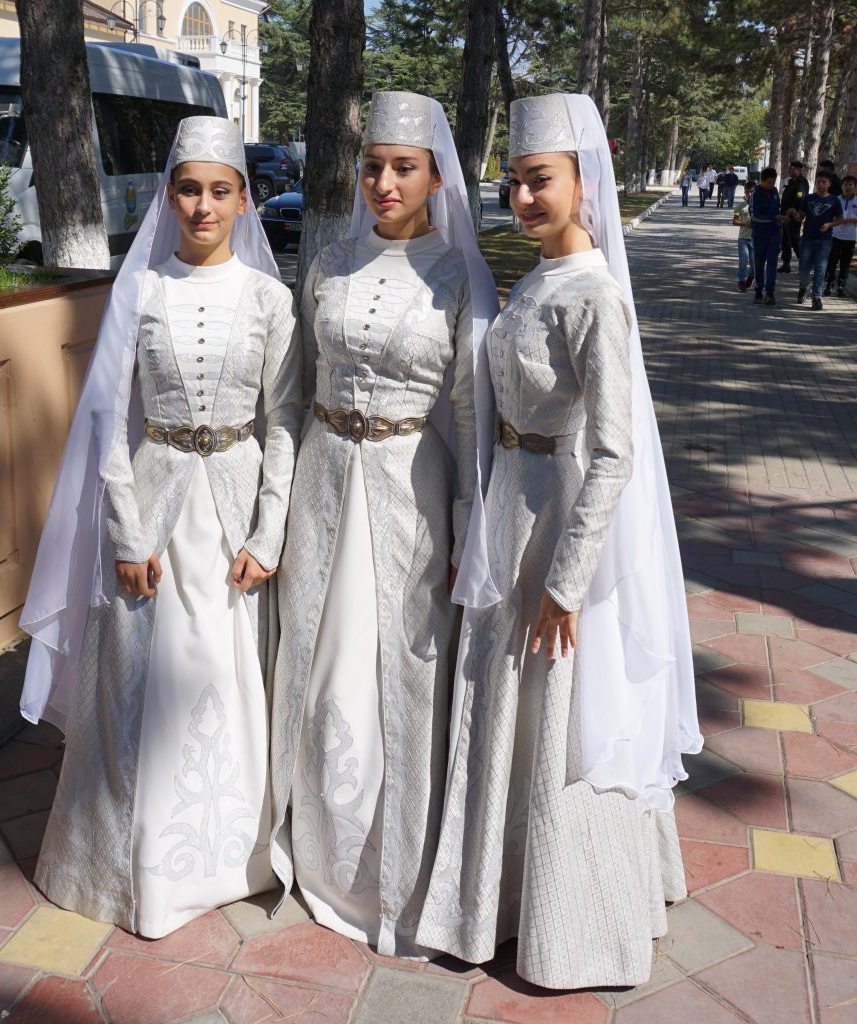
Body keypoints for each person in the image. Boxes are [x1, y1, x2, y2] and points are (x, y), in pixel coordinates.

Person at [415, 93, 701, 990]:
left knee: (557, 717)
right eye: (515, 182)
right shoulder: (536, 278)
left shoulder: (592, 296)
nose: (524, 198)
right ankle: (494, 898)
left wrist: (568, 583)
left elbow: (612, 453)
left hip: (557, 522)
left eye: (541, 181)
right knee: (505, 708)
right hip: (511, 504)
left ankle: (572, 925)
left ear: (584, 182)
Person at [18, 116, 302, 937]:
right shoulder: (139, 290)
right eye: (189, 190)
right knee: (146, 679)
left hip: (238, 507)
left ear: (244, 200)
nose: (204, 206)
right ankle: (132, 864)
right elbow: (110, 420)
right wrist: (126, 534)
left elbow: (282, 420)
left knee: (231, 673)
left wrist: (269, 532)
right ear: (168, 197)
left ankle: (236, 857)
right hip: (157, 500)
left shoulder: (270, 299)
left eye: (220, 190)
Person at [268, 90, 500, 958]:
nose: (384, 182)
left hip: (409, 494)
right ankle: (317, 855)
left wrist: (470, 528)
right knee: (321, 671)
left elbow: (472, 418)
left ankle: (391, 877)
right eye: (372, 166)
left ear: (436, 176)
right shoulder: (326, 264)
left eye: (403, 167)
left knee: (393, 681)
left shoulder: (459, 275)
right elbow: (293, 397)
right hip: (323, 482)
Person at [794, 170, 844, 310]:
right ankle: (803, 288)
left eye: (824, 182)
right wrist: (794, 214)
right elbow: (800, 217)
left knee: (820, 269)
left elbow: (840, 219)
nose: (821, 184)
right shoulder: (808, 198)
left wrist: (829, 225)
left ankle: (816, 297)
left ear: (829, 184)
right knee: (804, 268)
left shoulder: (834, 200)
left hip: (824, 240)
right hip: (807, 239)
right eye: (819, 182)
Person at [751, 166, 782, 305]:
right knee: (759, 263)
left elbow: (778, 208)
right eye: (769, 182)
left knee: (772, 263)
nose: (771, 185)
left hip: (774, 233)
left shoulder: (775, 192)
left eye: (773, 182)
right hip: (760, 233)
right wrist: (773, 218)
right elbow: (754, 216)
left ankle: (770, 292)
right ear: (762, 181)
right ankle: (758, 289)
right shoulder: (755, 194)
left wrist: (780, 221)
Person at [826, 174, 857, 297]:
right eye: (845, 185)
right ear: (842, 186)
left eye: (850, 185)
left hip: (850, 237)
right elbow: (829, 216)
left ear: (855, 187)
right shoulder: (835, 199)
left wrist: (850, 219)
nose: (847, 187)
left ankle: (841, 286)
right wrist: (837, 219)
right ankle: (829, 283)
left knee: (845, 263)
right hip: (835, 235)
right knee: (831, 261)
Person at [779, 159, 808, 272]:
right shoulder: (791, 181)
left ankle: (804, 264)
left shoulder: (801, 182)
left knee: (795, 240)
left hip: (793, 216)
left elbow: (800, 197)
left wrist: (793, 211)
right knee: (785, 240)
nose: (790, 170)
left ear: (798, 169)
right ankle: (786, 264)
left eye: (791, 168)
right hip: (785, 215)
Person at [733, 180, 755, 291]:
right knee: (743, 260)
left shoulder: (759, 205)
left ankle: (750, 278)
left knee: (754, 262)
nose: (750, 194)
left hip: (755, 239)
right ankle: (741, 281)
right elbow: (734, 221)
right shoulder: (741, 206)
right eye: (747, 192)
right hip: (743, 239)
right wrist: (745, 224)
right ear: (745, 192)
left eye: (752, 191)